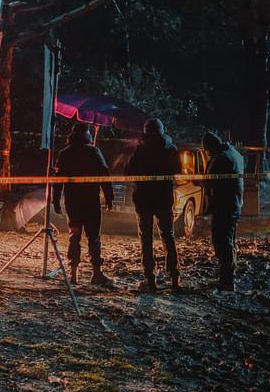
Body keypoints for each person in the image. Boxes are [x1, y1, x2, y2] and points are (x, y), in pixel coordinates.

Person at [52, 123, 115, 286]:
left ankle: (73, 274)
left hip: (72, 202)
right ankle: (97, 273)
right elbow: (104, 175)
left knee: (75, 236)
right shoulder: (94, 151)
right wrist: (109, 197)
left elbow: (58, 180)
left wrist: (56, 200)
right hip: (91, 201)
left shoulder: (64, 153)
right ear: (87, 135)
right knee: (94, 237)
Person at [125, 118, 183, 292]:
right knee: (168, 236)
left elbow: (128, 172)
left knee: (146, 239)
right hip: (164, 200)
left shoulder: (140, 149)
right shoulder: (171, 149)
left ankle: (150, 279)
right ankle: (174, 278)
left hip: (143, 201)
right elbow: (178, 170)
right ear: (162, 130)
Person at [202, 131, 244, 292]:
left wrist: (196, 180)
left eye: (206, 151)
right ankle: (227, 277)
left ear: (210, 147)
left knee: (221, 242)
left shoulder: (220, 158)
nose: (207, 154)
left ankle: (227, 281)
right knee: (229, 241)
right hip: (234, 203)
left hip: (224, 206)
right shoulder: (234, 153)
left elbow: (209, 180)